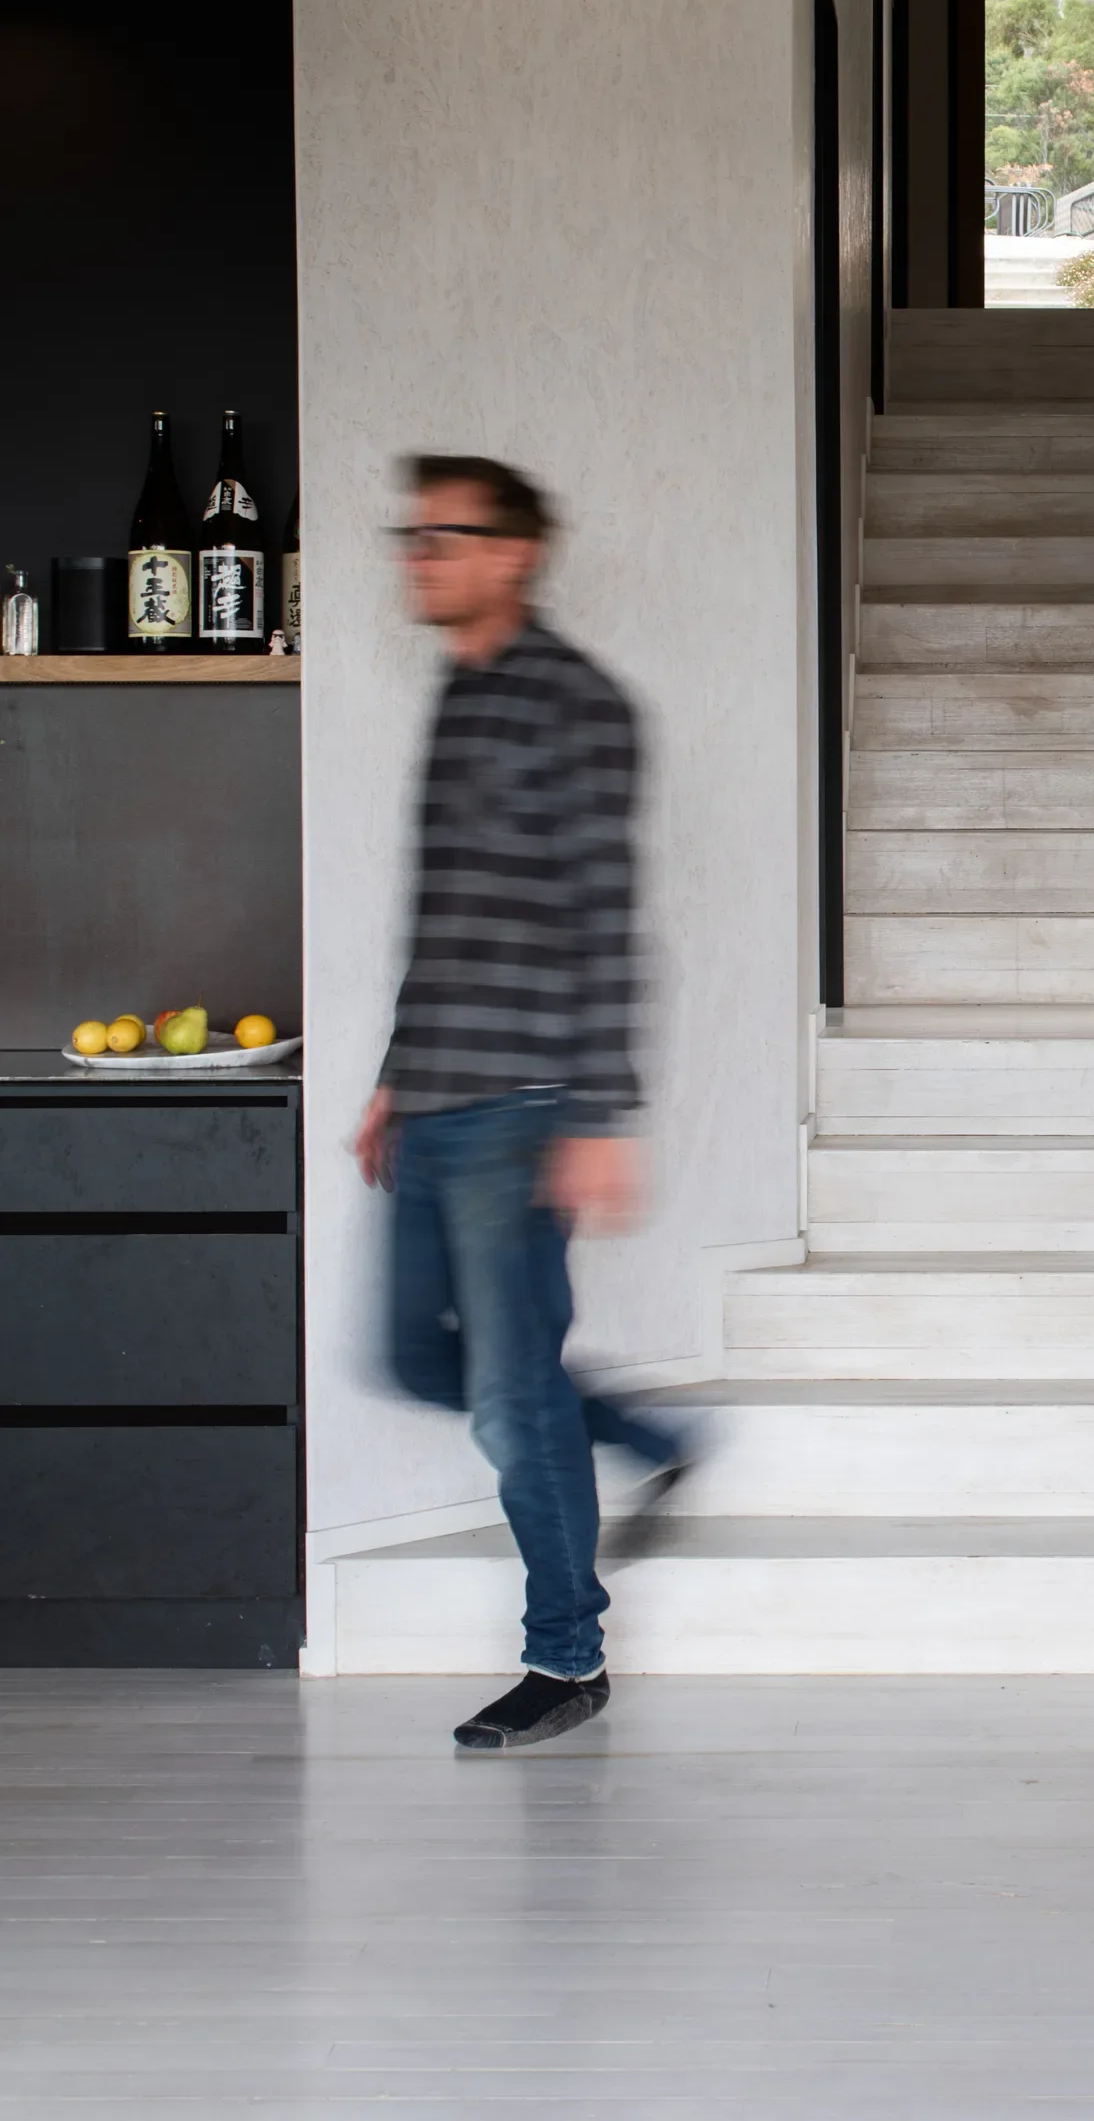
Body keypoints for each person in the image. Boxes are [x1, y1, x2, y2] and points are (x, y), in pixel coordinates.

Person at [354, 453, 696, 1752]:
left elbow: (606, 920)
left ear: (516, 552)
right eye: (413, 533)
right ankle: (653, 1433)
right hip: (438, 1092)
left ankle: (567, 1658)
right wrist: (395, 1069)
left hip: (523, 1102)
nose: (417, 555)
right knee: (408, 1355)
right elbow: (443, 913)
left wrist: (602, 1114)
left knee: (509, 1393)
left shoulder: (578, 705)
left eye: (443, 535)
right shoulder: (461, 692)